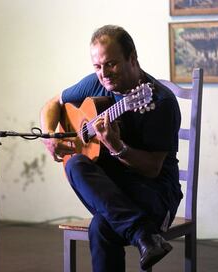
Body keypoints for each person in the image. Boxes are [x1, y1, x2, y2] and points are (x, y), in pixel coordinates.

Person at [40, 25, 182, 271]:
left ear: (132, 58)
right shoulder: (95, 85)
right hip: (113, 192)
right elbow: (52, 103)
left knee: (101, 227)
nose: (104, 74)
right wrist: (50, 134)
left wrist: (117, 147)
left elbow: (152, 169)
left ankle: (143, 232)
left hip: (155, 193)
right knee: (74, 164)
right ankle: (143, 235)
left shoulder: (159, 102)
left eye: (111, 64)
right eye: (97, 67)